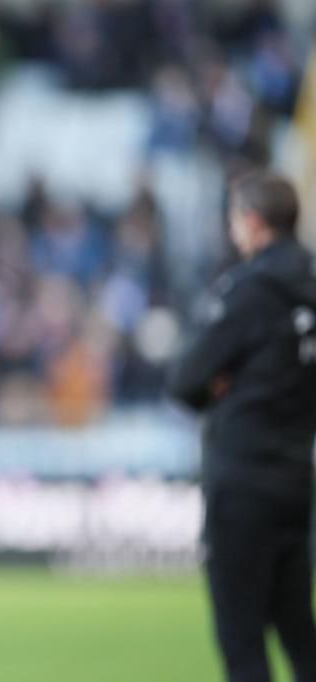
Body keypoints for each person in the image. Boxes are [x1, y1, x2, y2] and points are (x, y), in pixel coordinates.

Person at [169, 169, 316, 682]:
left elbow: (186, 380)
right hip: (298, 475)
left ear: (252, 223)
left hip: (243, 481)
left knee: (242, 641)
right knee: (301, 633)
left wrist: (227, 383)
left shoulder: (248, 290)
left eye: (235, 220)